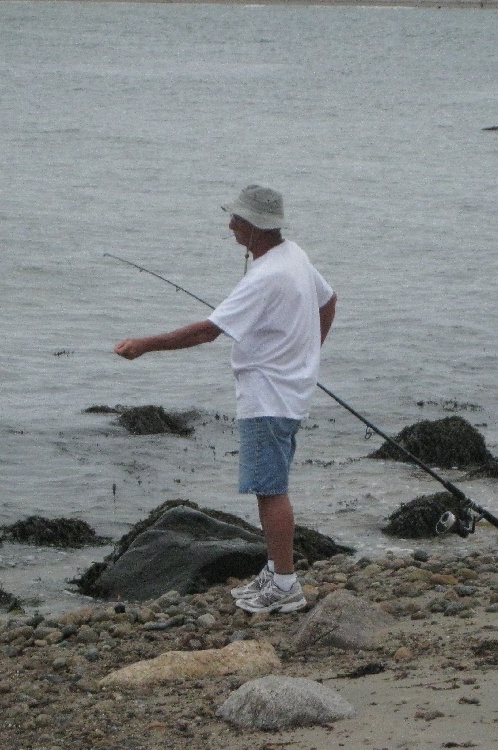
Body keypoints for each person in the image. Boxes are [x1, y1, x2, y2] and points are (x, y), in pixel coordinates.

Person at [114, 184, 337, 614]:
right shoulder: (294, 255)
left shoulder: (266, 275)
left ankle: (286, 585)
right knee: (268, 485)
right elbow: (329, 302)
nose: (229, 225)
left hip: (267, 396)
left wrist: (144, 345)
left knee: (270, 489)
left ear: (254, 227)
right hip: (287, 389)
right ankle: (276, 570)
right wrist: (307, 356)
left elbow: (207, 331)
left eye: (235, 219)